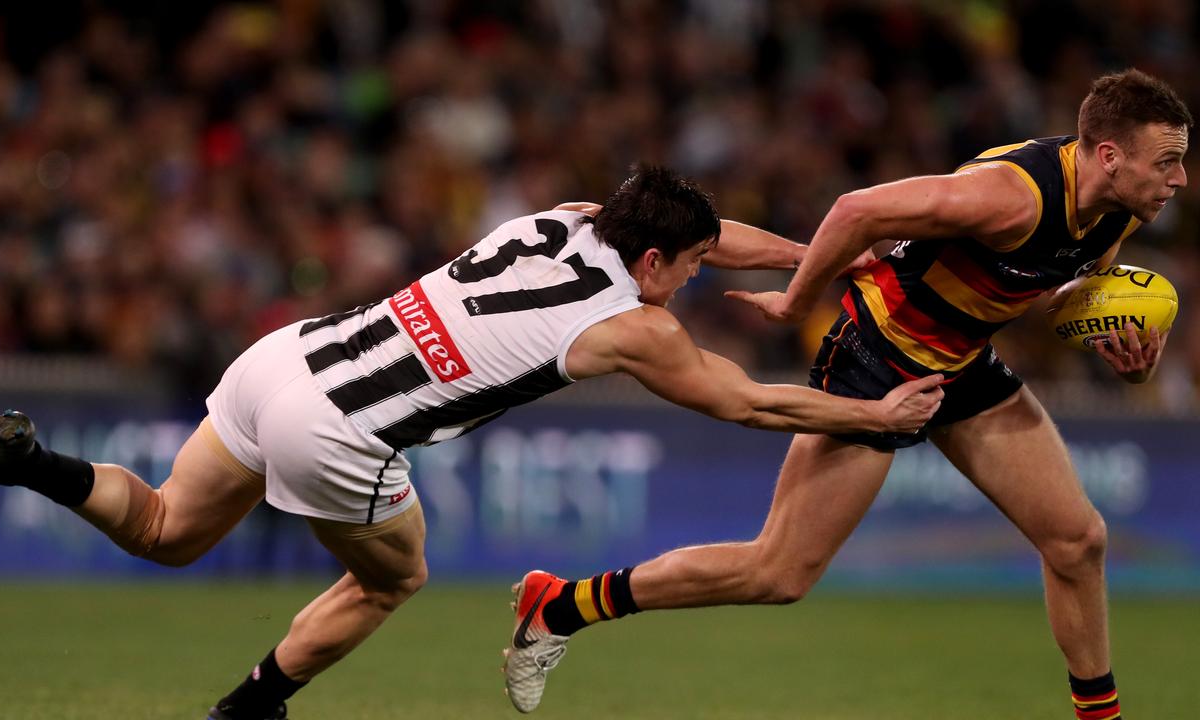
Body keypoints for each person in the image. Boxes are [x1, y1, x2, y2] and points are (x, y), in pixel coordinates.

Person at [0, 165, 943, 720]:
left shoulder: (568, 215)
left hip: (288, 360)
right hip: (341, 432)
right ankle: (249, 711)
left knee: (164, 531)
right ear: (651, 258)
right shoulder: (635, 327)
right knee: (387, 583)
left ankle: (24, 455)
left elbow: (708, 242)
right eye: (684, 269)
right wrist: (875, 416)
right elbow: (747, 407)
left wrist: (825, 261)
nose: (692, 282)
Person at [505, 69, 1189, 720]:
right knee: (777, 573)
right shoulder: (1010, 194)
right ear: (1107, 156)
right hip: (877, 355)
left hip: (962, 362)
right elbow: (856, 210)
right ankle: (562, 604)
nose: (1179, 179)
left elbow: (1045, 282)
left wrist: (1109, 343)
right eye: (1166, 162)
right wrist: (797, 303)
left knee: (1078, 542)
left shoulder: (1117, 211)